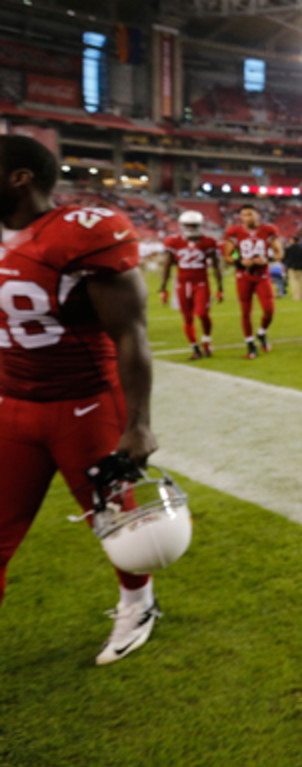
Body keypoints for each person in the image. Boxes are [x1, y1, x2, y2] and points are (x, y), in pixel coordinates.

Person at [0, 134, 162, 664]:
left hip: (83, 405)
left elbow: (131, 334)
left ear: (19, 178)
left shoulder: (81, 233)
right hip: (11, 404)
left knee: (116, 524)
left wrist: (138, 423)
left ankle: (138, 603)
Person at [159, 209, 223, 360]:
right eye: (188, 225)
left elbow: (216, 265)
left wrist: (220, 287)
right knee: (187, 318)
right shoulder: (173, 242)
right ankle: (195, 348)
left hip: (201, 283)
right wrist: (163, 288)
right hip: (182, 284)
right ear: (182, 225)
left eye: (193, 225)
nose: (190, 228)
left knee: (202, 313)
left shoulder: (208, 242)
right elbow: (167, 265)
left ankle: (206, 341)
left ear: (199, 225)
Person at [223, 203, 282, 359]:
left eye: (250, 214)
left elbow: (279, 253)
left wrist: (267, 259)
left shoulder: (269, 230)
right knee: (245, 311)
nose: (247, 218)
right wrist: (239, 261)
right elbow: (228, 256)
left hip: (262, 274)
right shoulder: (234, 232)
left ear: (257, 215)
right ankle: (250, 345)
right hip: (244, 275)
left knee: (269, 310)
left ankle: (261, 332)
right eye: (244, 215)